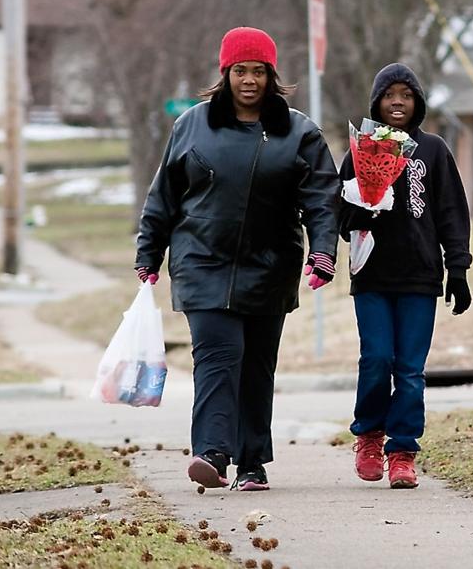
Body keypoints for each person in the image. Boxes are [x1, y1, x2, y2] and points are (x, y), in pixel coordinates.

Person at [134, 26, 339, 492]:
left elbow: (322, 201)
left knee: (256, 365)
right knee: (218, 356)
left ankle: (252, 461)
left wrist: (324, 251)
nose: (249, 80)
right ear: (224, 74)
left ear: (272, 75)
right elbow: (163, 195)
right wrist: (150, 251)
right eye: (240, 70)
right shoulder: (192, 124)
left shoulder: (298, 132)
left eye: (259, 71)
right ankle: (212, 451)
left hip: (270, 267)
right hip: (201, 262)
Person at [338, 63, 473, 489]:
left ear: (418, 103)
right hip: (372, 275)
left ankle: (402, 450)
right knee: (377, 360)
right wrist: (364, 205)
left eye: (407, 95)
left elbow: (451, 212)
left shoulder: (432, 150)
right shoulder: (359, 150)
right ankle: (370, 434)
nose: (398, 102)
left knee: (410, 370)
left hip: (420, 276)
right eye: (389, 94)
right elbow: (340, 218)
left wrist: (459, 268)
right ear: (376, 102)